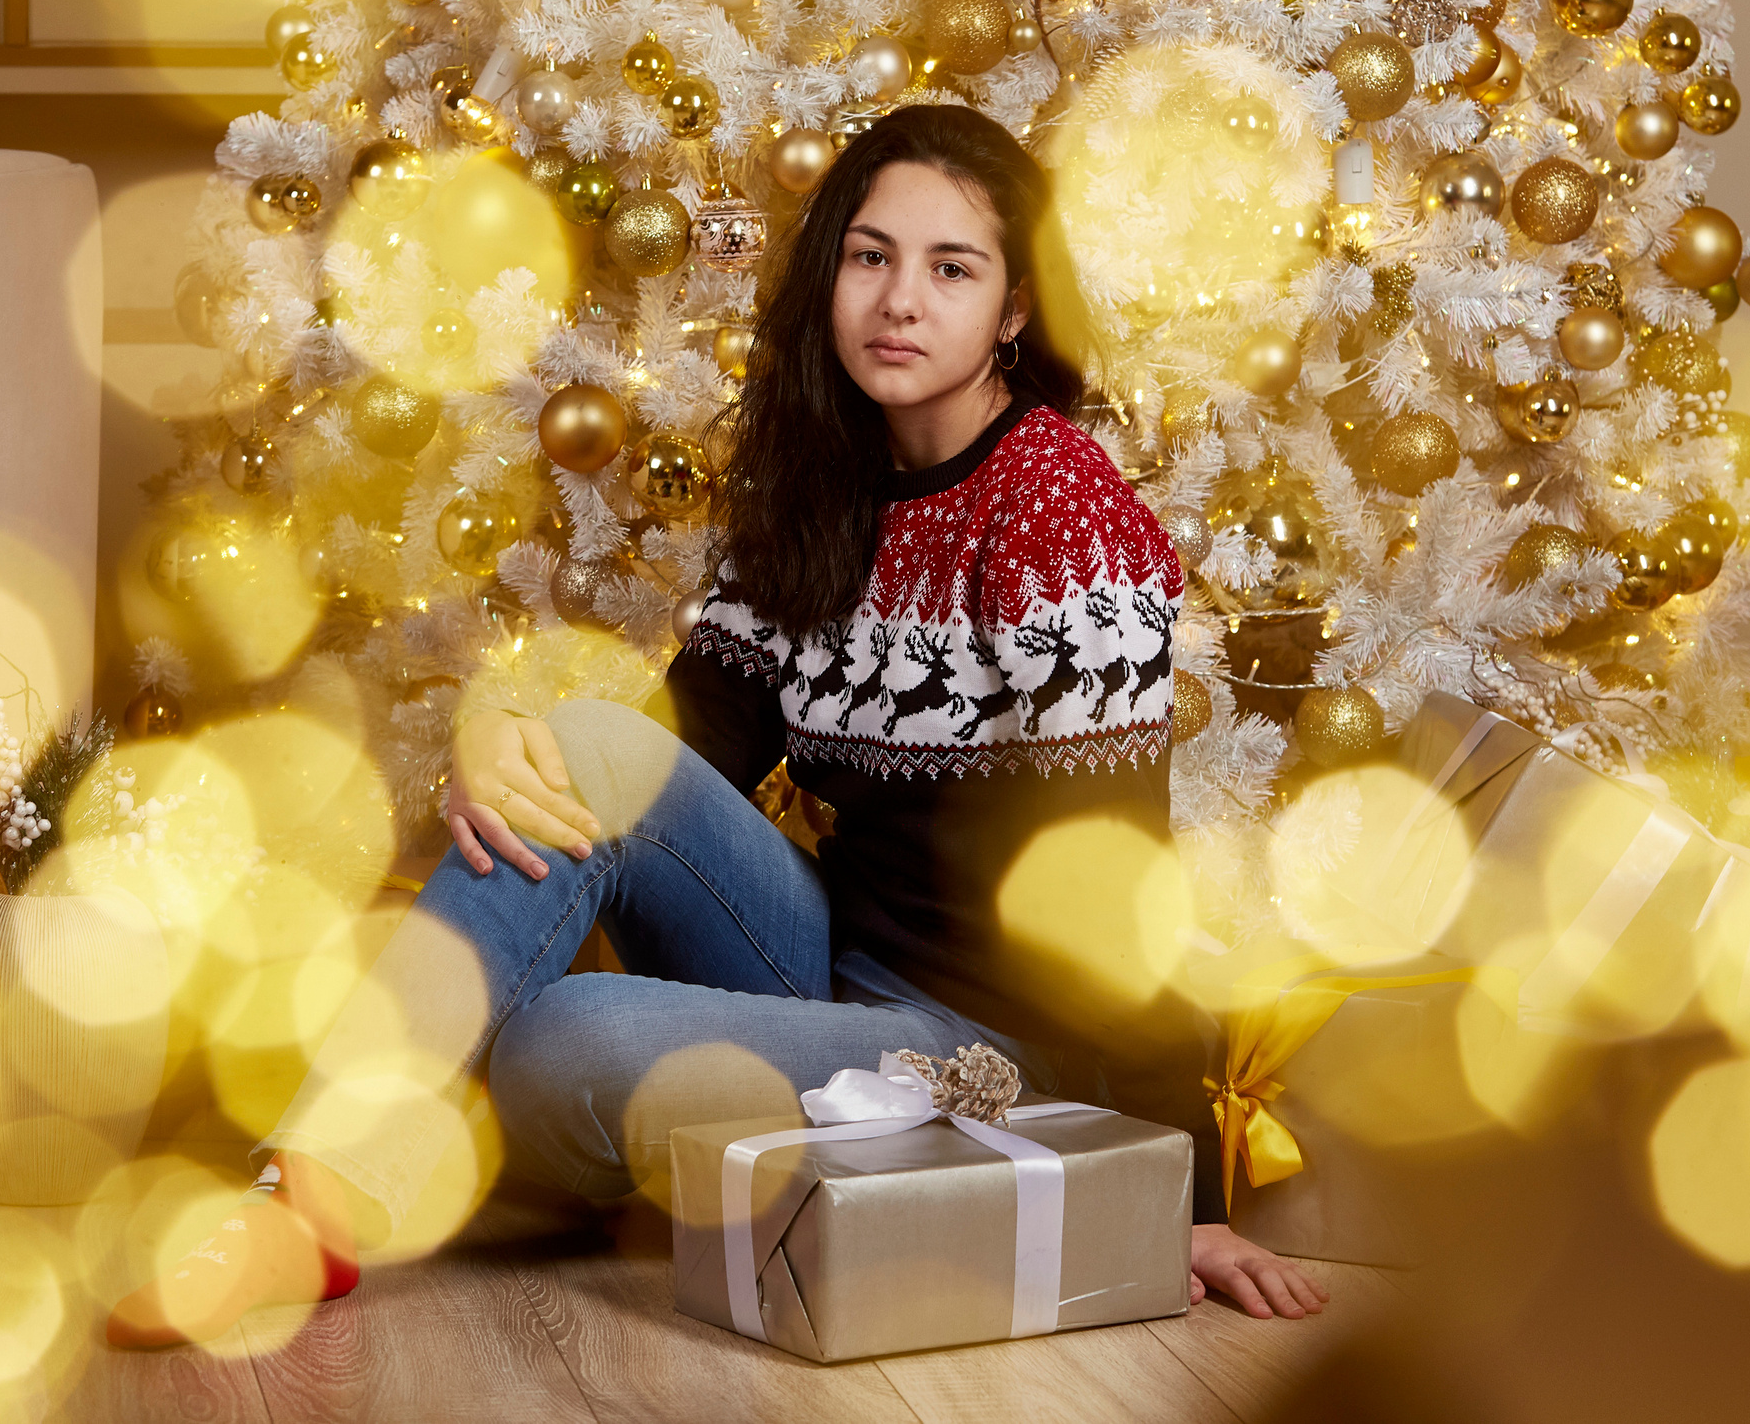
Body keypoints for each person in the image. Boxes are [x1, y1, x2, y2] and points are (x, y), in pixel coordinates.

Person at [107, 104, 1325, 1348]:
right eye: (870, 256)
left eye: (950, 269)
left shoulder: (1058, 512)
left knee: (559, 1045)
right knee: (583, 742)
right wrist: (505, 738)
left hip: (990, 1055)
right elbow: (675, 751)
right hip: (827, 969)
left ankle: (414, 1165)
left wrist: (1179, 1193)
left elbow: (1115, 881)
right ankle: (299, 1195)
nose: (900, 300)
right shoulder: (819, 485)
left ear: (1012, 309)